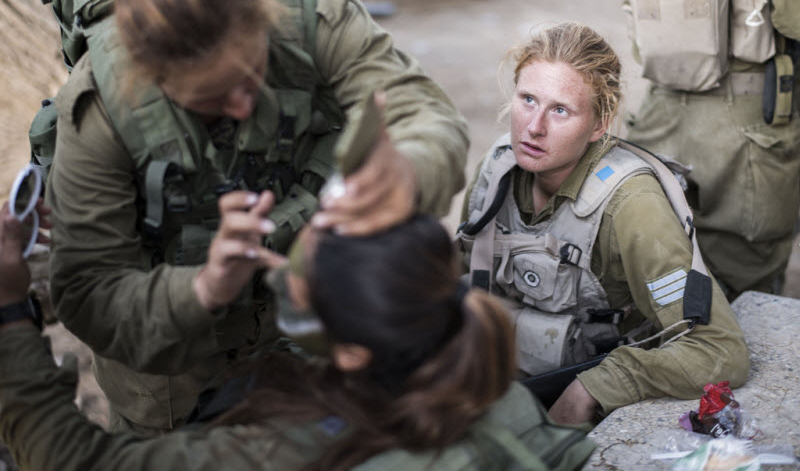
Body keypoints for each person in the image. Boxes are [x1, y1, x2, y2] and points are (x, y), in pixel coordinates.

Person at [46, 0, 468, 434]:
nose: (245, 106)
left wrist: (406, 171)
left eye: (255, 75)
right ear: (153, 79)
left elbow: (425, 114)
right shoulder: (100, 108)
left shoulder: (316, 18)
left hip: (312, 327)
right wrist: (204, 287)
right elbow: (88, 290)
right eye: (213, 98)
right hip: (174, 379)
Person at [0, 207, 596, 471]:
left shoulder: (291, 451)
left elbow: (71, 459)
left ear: (350, 354)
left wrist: (10, 312)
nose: (281, 278)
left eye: (298, 289)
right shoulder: (495, 394)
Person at [457, 23, 749, 425]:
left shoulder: (633, 205)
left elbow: (719, 349)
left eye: (560, 110)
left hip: (574, 381)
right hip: (497, 367)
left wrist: (598, 386)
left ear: (599, 124)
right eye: (528, 99)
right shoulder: (498, 169)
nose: (534, 127)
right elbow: (462, 276)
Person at [604, 0, 800, 296]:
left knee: (653, 261)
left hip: (659, 108)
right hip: (750, 122)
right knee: (746, 281)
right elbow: (794, 15)